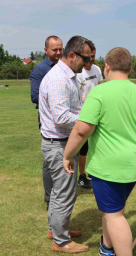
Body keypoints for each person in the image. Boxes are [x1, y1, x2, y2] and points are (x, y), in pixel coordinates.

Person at [63, 47, 136, 256]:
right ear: (130, 68)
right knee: (113, 209)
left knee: (114, 216)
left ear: (107, 66)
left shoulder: (99, 92)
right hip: (133, 165)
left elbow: (81, 130)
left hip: (109, 167)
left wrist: (67, 156)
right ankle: (107, 248)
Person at [39, 35, 91, 253]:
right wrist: (90, 122)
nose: (88, 63)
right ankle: (61, 241)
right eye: (85, 58)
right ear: (72, 55)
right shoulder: (60, 79)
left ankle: (56, 230)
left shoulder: (65, 76)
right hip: (58, 144)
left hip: (58, 143)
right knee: (64, 194)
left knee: (59, 192)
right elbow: (61, 117)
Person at [30, 35, 63, 209]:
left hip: (62, 117)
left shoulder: (64, 67)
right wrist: (57, 98)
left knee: (58, 155)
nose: (58, 52)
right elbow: (34, 96)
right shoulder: (40, 70)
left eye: (60, 49)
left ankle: (55, 191)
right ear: (45, 50)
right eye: (54, 49)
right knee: (49, 159)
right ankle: (49, 194)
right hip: (48, 119)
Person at [76, 42, 103, 189]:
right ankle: (81, 176)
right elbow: (78, 97)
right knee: (84, 147)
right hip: (84, 113)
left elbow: (100, 88)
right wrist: (92, 100)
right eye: (89, 56)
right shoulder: (78, 72)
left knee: (96, 144)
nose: (91, 59)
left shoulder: (97, 69)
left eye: (94, 56)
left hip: (97, 113)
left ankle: (93, 172)